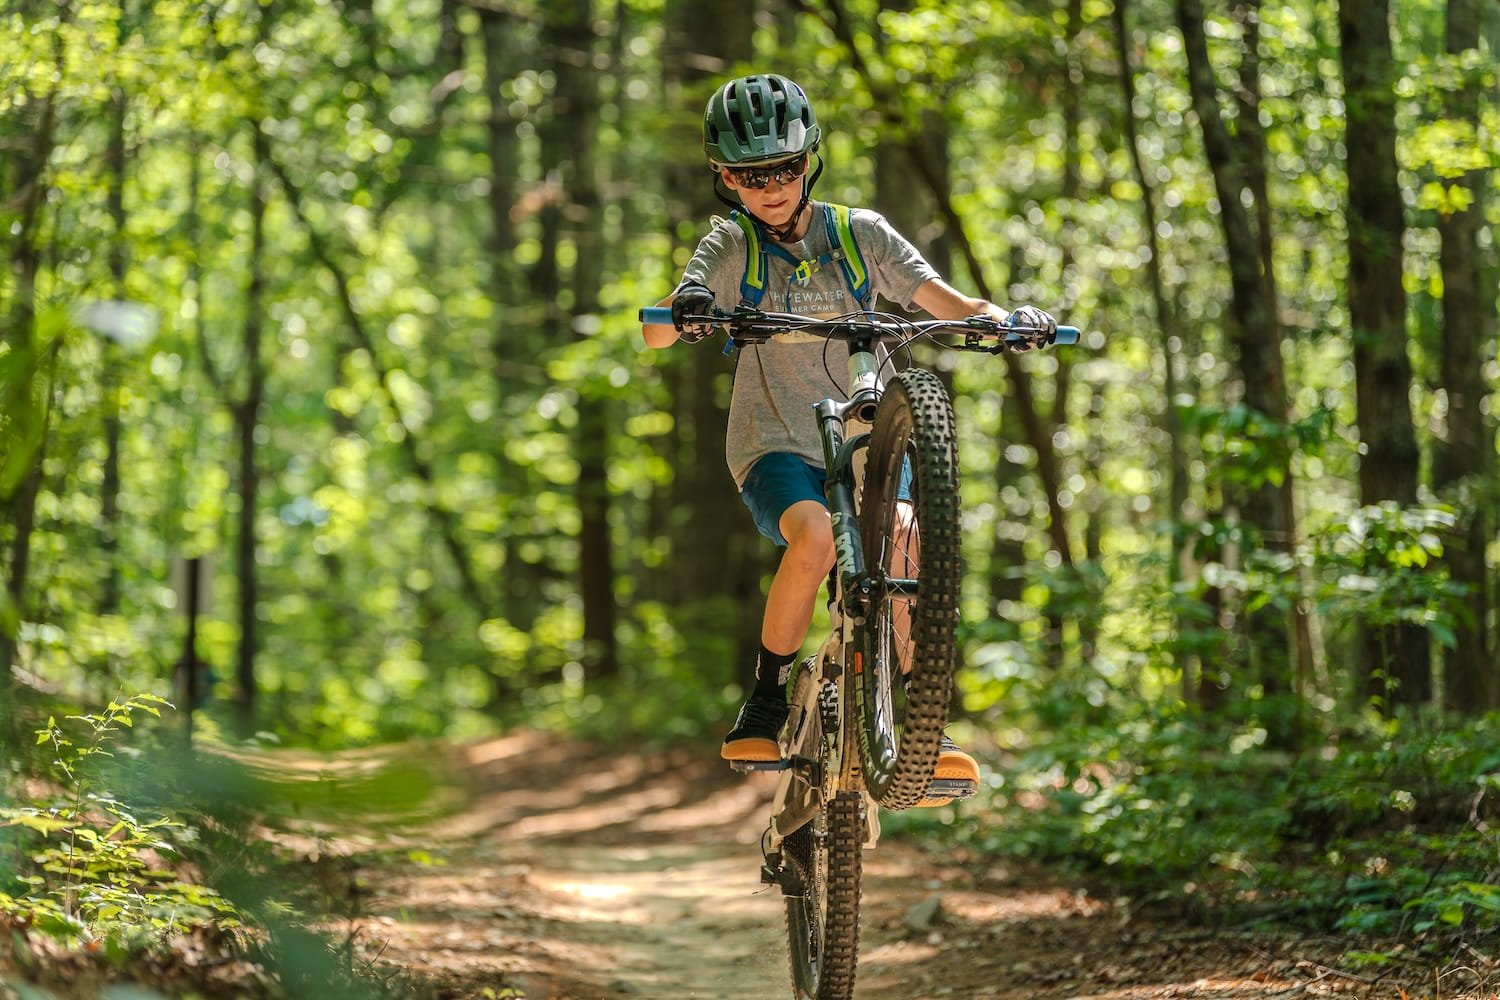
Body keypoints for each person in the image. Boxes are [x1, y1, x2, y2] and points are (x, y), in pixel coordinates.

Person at [641, 73, 1055, 802]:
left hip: (864, 440)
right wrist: (693, 310)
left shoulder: (860, 234)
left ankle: (914, 725)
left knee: (903, 538)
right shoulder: (731, 243)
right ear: (723, 177)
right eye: (749, 175)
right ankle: (766, 700)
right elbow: (665, 318)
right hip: (775, 442)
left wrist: (1005, 319)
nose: (770, 187)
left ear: (811, 160)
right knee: (817, 542)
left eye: (786, 169)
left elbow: (948, 303)